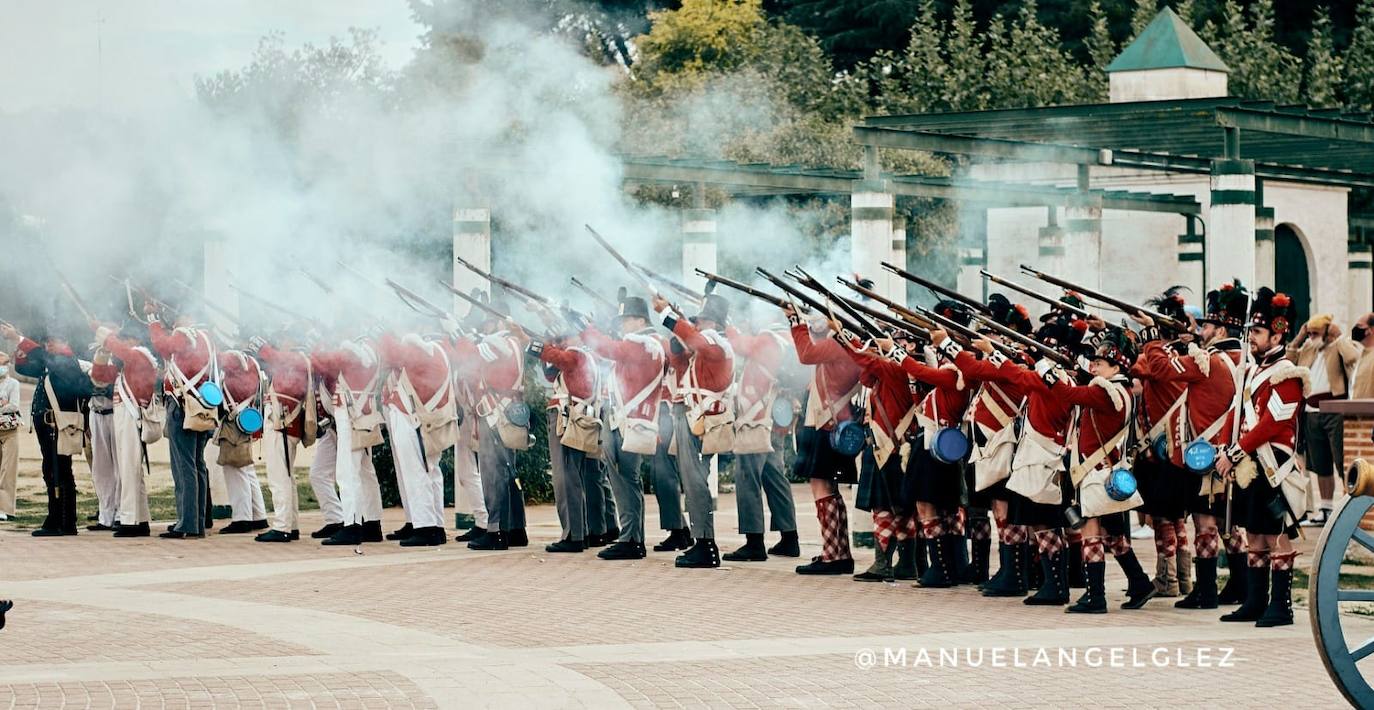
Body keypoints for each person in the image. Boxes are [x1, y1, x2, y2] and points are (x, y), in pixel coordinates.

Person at [1045, 330, 1155, 614]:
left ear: (1116, 367)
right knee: (1112, 535)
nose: (1094, 367)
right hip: (1103, 469)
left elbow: (1066, 393)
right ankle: (1140, 582)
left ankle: (1096, 597)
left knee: (1090, 533)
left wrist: (1043, 367)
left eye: (1100, 363)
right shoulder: (1121, 389)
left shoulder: (1106, 391)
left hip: (1095, 471)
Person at [1217, 288, 1308, 627]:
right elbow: (1236, 414)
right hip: (1250, 465)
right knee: (1254, 533)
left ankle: (1281, 606)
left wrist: (1236, 451)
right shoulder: (1252, 372)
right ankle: (1255, 602)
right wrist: (1225, 450)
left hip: (1274, 465)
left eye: (1256, 332)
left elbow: (1272, 424)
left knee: (1277, 533)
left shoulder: (1287, 375)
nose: (1251, 338)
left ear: (1278, 331)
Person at [654, 293, 735, 569]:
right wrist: (677, 323)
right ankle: (702, 541)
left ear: (709, 321)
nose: (697, 324)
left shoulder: (714, 341)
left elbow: (697, 340)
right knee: (692, 480)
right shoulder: (705, 344)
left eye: (699, 320)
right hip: (692, 417)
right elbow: (679, 359)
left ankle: (705, 544)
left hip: (699, 420)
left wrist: (669, 315)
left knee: (695, 480)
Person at [582, 295, 665, 561]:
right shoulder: (646, 344)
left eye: (628, 319)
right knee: (627, 480)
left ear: (640, 320)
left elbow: (607, 349)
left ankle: (630, 538)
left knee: (623, 480)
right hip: (632, 419)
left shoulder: (640, 342)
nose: (624, 325)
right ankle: (633, 537)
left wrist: (585, 328)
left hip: (627, 421)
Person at [785, 303, 862, 575]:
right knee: (829, 488)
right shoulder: (851, 343)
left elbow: (806, 354)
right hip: (834, 421)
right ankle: (838, 552)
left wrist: (795, 320)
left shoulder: (837, 344)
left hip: (827, 422)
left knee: (822, 488)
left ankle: (833, 555)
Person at [1127, 288, 1195, 598]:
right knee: (1177, 519)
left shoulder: (1158, 359)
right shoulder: (1184, 358)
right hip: (1176, 449)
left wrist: (1141, 338)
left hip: (1160, 454)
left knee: (1163, 519)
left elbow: (1136, 367)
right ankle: (1183, 578)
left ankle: (1167, 580)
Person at [4, 323, 92, 537]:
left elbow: (42, 357)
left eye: (53, 342)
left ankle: (63, 521)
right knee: (52, 471)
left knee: (59, 471)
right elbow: (25, 367)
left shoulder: (66, 362)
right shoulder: (53, 362)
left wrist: (19, 338)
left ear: (66, 344)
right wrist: (18, 347)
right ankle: (59, 519)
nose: (48, 345)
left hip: (57, 425)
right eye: (47, 342)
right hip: (49, 426)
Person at [723, 317, 799, 562]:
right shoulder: (788, 342)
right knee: (774, 476)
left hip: (757, 419)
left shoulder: (768, 340)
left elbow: (738, 344)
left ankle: (754, 542)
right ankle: (790, 538)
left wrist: (728, 323)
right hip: (774, 418)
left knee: (747, 477)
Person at [378, 331, 455, 547]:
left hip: (412, 419)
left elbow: (390, 354)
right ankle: (435, 526)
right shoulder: (438, 350)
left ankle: (425, 528)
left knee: (417, 474)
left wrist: (381, 330)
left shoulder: (421, 350)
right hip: (420, 419)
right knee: (430, 473)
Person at [147, 307, 216, 539]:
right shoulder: (204, 337)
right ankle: (195, 521)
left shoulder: (186, 333)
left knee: (184, 466)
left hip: (183, 406)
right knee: (196, 464)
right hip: (199, 406)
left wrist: (153, 320)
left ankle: (187, 524)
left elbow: (162, 346)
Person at [311, 335, 386, 546]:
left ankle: (352, 524)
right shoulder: (372, 350)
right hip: (363, 412)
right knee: (366, 471)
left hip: (350, 412)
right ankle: (372, 523)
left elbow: (321, 363)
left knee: (347, 472)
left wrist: (315, 340)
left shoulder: (349, 350)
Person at [1288, 313, 1360, 526]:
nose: (1312, 337)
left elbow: (1353, 358)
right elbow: (1289, 362)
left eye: (1315, 333)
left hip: (1334, 410)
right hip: (1311, 410)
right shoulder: (1309, 348)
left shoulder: (1337, 346)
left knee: (1341, 460)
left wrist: (1338, 338)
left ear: (1327, 332)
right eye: (1309, 333)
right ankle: (1326, 509)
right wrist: (1299, 337)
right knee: (1319, 463)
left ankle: (1349, 507)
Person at [92, 324, 160, 538]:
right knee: (131, 470)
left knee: (129, 470)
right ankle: (140, 519)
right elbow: (99, 375)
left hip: (132, 417)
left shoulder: (141, 356)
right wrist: (103, 350)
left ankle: (130, 520)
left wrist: (107, 337)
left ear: (134, 341)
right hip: (123, 417)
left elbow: (124, 352)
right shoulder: (127, 365)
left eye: (125, 340)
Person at [252, 332, 315, 543]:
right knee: (285, 477)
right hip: (284, 424)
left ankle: (282, 527)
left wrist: (262, 346)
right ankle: (291, 525)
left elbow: (276, 358)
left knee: (279, 478)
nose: (282, 342)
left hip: (283, 424)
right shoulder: (295, 360)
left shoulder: (295, 358)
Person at [215, 349, 269, 534]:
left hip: (234, 422)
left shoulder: (236, 361)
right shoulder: (253, 363)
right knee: (247, 469)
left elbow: (221, 359)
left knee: (234, 469)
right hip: (244, 419)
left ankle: (242, 518)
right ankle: (258, 516)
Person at [86, 343, 121, 531]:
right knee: (100, 469)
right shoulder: (89, 370)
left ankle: (122, 513)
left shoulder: (116, 369)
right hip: (96, 413)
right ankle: (105, 515)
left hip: (114, 413)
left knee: (119, 466)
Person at [0, 351, 22, 521]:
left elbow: (14, 405)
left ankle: (6, 509)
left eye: (5, 363)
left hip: (10, 430)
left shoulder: (13, 383)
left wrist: (5, 405)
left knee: (8, 471)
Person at [1350, 312, 1374, 400]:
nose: (1355, 330)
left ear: (1371, 330)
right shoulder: (1362, 355)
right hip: (1356, 411)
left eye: (1359, 326)